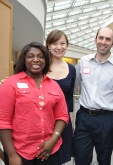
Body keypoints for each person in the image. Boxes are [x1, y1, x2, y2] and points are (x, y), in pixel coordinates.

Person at [0, 42, 69, 165]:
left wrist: (53, 140)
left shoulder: (54, 86)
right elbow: (3, 121)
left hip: (48, 151)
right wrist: (11, 155)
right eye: (30, 56)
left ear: (45, 60)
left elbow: (62, 116)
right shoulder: (11, 83)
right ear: (24, 59)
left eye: (40, 56)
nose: (36, 60)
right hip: (20, 152)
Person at [73, 27, 113, 165]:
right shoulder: (84, 61)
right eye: (101, 38)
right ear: (95, 39)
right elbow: (72, 85)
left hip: (106, 119)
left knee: (104, 161)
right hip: (83, 118)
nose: (103, 42)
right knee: (80, 159)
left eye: (108, 39)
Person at [45, 30, 76, 165]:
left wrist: (71, 120)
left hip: (62, 120)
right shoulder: (42, 66)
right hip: (43, 118)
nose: (59, 47)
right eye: (54, 43)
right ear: (48, 46)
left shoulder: (71, 69)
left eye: (62, 43)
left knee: (59, 159)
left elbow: (69, 97)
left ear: (67, 45)